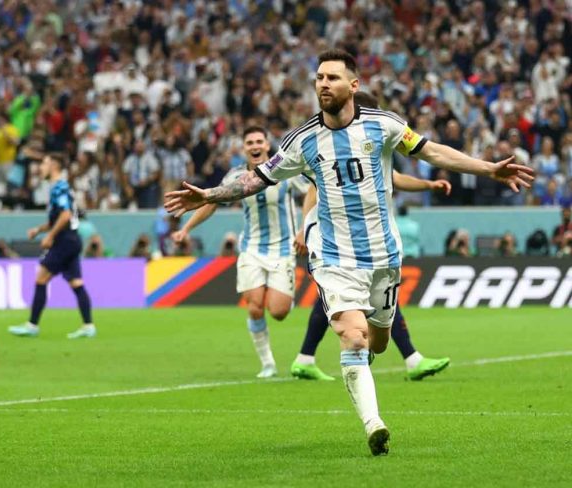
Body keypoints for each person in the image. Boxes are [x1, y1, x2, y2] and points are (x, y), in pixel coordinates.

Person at [165, 50, 533, 456]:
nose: (323, 84)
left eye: (333, 78)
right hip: (334, 257)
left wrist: (487, 168)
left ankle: (367, 363)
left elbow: (433, 152)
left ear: (353, 86)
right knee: (352, 336)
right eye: (319, 77)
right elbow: (257, 180)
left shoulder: (385, 126)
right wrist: (211, 193)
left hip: (383, 256)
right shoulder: (301, 141)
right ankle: (373, 424)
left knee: (377, 341)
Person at [290, 91, 451, 382]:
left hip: (369, 241)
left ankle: (305, 357)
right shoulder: (334, 148)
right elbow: (313, 191)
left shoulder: (370, 150)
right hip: (337, 243)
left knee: (356, 303)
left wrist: (428, 184)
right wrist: (304, 229)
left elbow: (396, 179)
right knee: (373, 303)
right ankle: (412, 359)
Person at [172, 126, 310, 379]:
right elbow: (211, 201)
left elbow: (313, 191)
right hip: (251, 249)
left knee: (278, 312)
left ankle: (281, 298)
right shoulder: (235, 176)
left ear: (268, 145)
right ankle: (267, 363)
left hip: (283, 248)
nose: (255, 146)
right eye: (250, 142)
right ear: (244, 148)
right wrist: (186, 229)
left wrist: (305, 228)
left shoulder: (286, 170)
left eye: (260, 141)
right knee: (255, 307)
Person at [8, 153, 96, 340]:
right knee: (76, 283)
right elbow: (61, 217)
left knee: (41, 279)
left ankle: (32, 325)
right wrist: (39, 229)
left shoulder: (59, 187)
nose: (41, 168)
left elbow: (65, 216)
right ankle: (88, 326)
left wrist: (50, 236)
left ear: (54, 166)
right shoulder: (59, 187)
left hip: (64, 241)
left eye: (44, 163)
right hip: (71, 239)